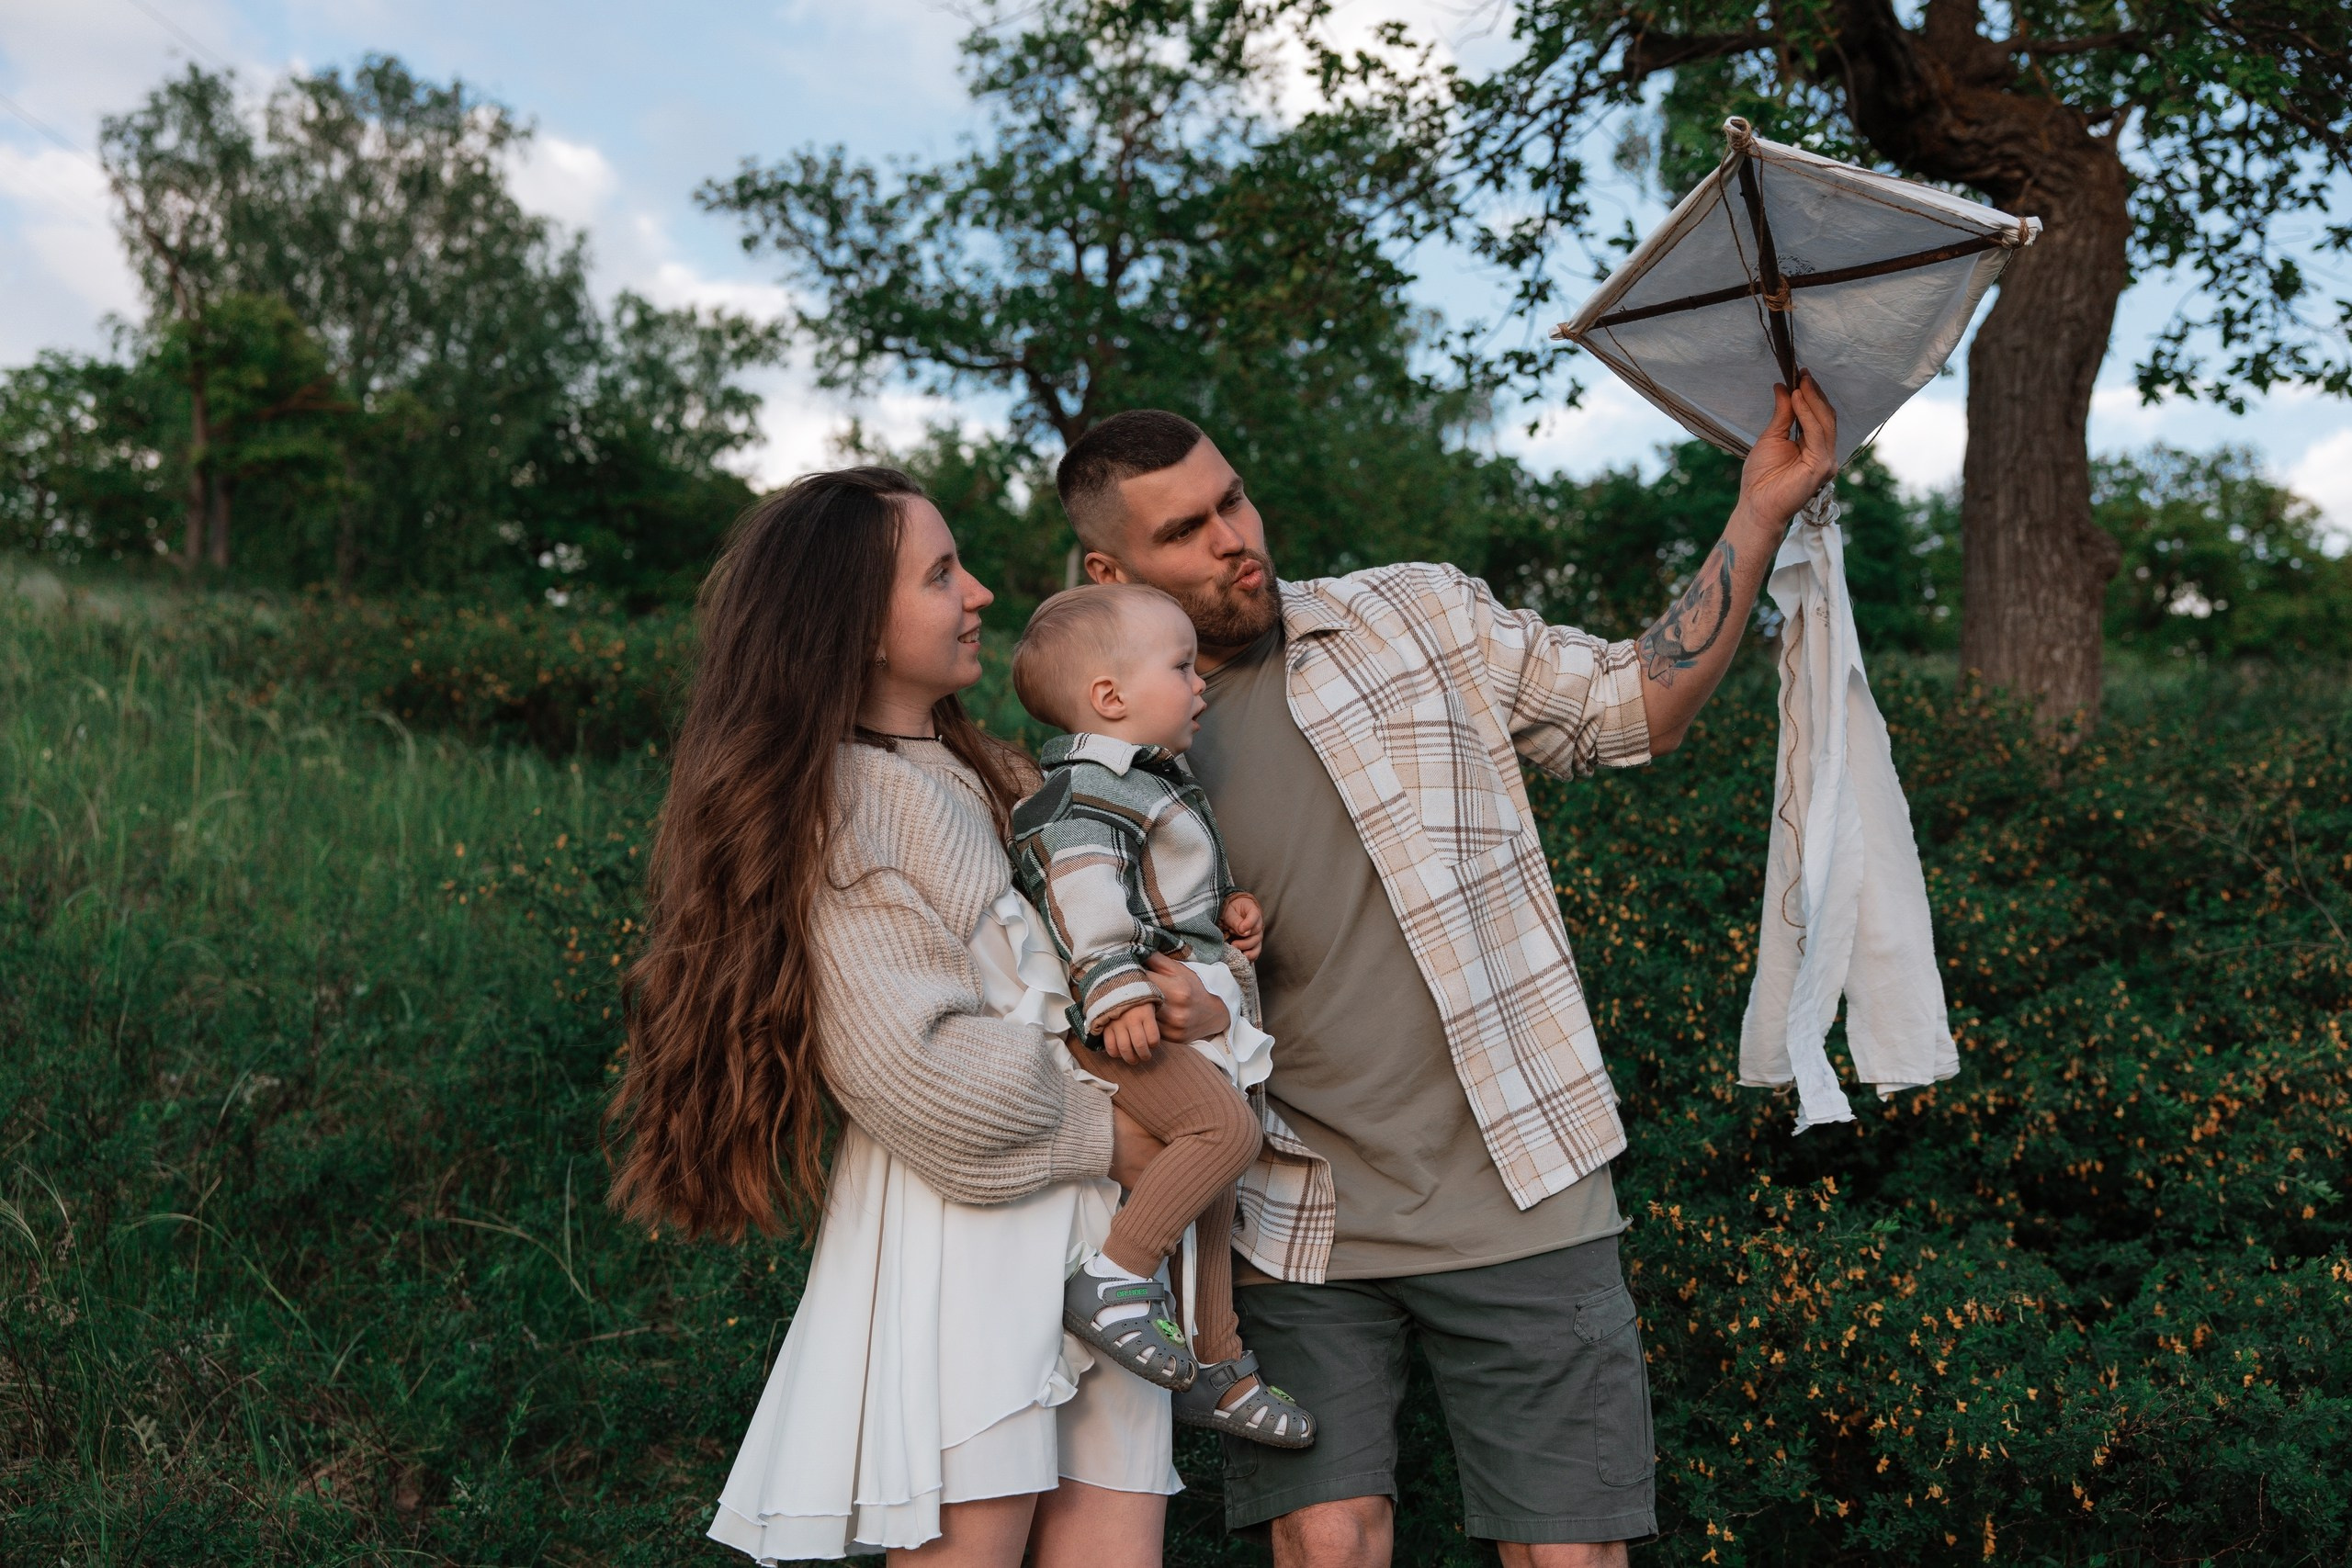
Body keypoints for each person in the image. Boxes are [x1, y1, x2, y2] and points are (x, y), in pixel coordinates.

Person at [1055, 379, 1840, 1567]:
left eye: (1234, 500)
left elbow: (1638, 705)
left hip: (1523, 1174)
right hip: (1292, 1210)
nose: (1235, 539)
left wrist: (1758, 510)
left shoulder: (1413, 616)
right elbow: (1076, 964)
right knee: (1331, 1540)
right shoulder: (1105, 759)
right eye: (1184, 531)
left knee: (1568, 1555)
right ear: (1105, 574)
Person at [605, 468, 1228, 1567]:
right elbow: (919, 1069)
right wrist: (1130, 1138)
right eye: (941, 574)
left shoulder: (988, 768)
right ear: (849, 622)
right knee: (974, 1545)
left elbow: (1090, 940)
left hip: (1098, 1230)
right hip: (973, 1231)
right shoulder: (839, 805)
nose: (980, 591)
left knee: (1115, 1541)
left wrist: (1193, 948)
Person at [1006, 581, 1316, 1450]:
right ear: (1110, 698)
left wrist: (1228, 917)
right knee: (1223, 1134)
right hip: (1120, 1021)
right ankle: (1111, 1276)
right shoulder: (1080, 794)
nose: (1200, 683)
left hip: (1157, 1003)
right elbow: (1081, 894)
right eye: (1181, 666)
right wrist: (1115, 987)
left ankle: (1217, 1363)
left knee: (1212, 1190)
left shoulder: (1150, 783)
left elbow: (1159, 894)